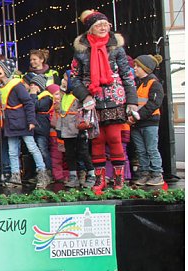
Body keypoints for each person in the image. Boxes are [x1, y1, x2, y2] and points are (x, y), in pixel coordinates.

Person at [70, 10, 138, 191]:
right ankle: (100, 180)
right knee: (97, 141)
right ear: (91, 29)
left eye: (105, 25)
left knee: (115, 138)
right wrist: (85, 96)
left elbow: (127, 75)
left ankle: (118, 180)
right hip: (92, 102)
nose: (102, 28)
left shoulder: (116, 48)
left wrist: (132, 102)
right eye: (98, 25)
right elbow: (74, 79)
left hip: (115, 100)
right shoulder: (81, 51)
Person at [0, 59, 51, 188]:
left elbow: (28, 103)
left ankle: (42, 173)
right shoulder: (0, 87)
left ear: (6, 71)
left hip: (22, 122)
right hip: (10, 123)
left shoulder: (17, 85)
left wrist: (31, 120)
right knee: (12, 151)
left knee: (32, 148)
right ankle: (15, 176)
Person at [129, 54, 165, 186]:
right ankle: (144, 173)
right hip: (137, 124)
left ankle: (157, 173)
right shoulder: (138, 84)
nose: (135, 68)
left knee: (151, 149)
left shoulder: (154, 84)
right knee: (140, 150)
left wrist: (137, 115)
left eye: (137, 66)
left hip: (149, 122)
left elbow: (153, 104)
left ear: (146, 68)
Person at [24, 72, 55, 183]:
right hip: (33, 128)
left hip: (41, 128)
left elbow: (35, 106)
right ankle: (35, 174)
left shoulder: (47, 97)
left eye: (34, 85)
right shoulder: (35, 96)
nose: (31, 87)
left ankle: (48, 173)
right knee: (32, 151)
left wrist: (32, 95)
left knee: (43, 150)